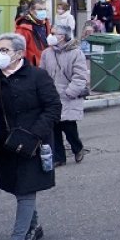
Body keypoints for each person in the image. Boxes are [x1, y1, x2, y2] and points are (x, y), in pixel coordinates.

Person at [0, 33, 62, 240]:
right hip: (6, 145)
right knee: (16, 187)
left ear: (19, 54)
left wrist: (35, 135)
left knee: (26, 191)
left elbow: (53, 107)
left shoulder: (37, 76)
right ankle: (35, 226)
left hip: (33, 144)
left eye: (4, 50)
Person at [40, 24, 89, 166]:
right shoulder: (47, 53)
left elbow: (80, 76)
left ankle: (77, 148)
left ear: (62, 37)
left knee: (68, 127)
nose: (50, 35)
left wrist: (70, 92)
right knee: (54, 128)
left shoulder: (76, 53)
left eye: (54, 33)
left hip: (68, 96)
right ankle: (59, 158)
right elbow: (41, 74)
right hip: (51, 97)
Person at [14, 0, 51, 67]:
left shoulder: (46, 24)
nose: (43, 11)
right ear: (31, 11)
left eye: (44, 9)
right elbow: (19, 52)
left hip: (47, 64)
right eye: (40, 9)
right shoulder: (23, 29)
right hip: (32, 68)